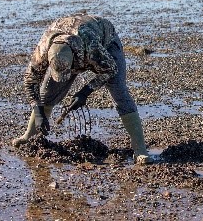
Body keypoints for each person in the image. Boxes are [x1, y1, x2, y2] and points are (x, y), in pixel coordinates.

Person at [11, 14, 152, 164]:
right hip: (71, 47)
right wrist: (38, 111)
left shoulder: (92, 47)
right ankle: (29, 136)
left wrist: (85, 92)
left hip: (106, 42)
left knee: (119, 92)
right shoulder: (44, 48)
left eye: (68, 71)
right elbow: (30, 80)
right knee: (46, 94)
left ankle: (140, 149)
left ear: (74, 60)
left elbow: (110, 70)